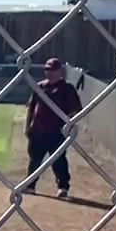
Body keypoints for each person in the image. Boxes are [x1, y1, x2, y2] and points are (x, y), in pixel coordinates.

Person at [25, 57, 82, 199]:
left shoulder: (67, 89)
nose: (50, 73)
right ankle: (30, 185)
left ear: (59, 72)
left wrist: (67, 124)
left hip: (57, 131)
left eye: (53, 70)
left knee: (59, 160)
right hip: (38, 130)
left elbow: (75, 110)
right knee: (35, 159)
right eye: (47, 70)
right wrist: (28, 126)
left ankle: (63, 186)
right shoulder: (40, 87)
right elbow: (32, 108)